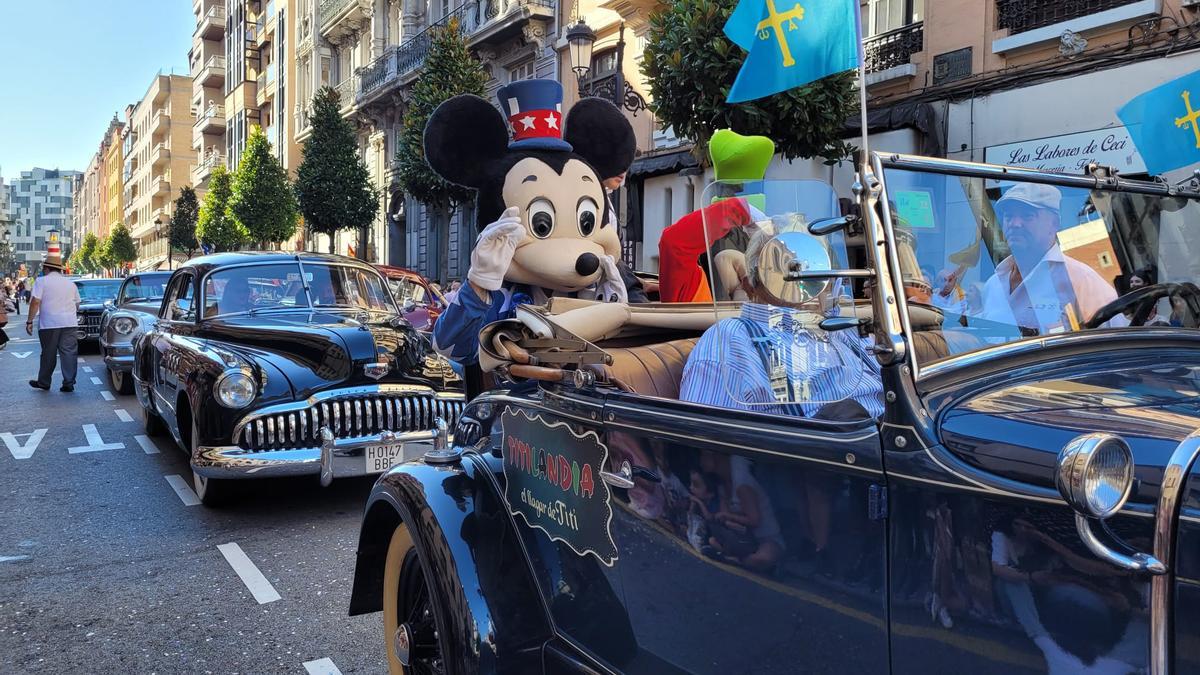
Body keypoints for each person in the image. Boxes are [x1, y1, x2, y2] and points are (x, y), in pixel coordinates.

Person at [680, 220, 884, 420]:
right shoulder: (730, 339)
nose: (802, 280)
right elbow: (706, 442)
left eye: (813, 267)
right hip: (825, 448)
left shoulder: (843, 328)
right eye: (785, 270)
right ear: (750, 286)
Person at [979, 184, 1121, 333]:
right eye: (1009, 216)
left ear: (1054, 224)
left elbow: (1117, 344)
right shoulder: (992, 286)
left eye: (1027, 216)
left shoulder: (1081, 280)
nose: (1015, 224)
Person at [25, 254, 81, 392]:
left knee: (48, 353)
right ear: (60, 269)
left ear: (46, 268)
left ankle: (44, 382)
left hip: (49, 324)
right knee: (68, 353)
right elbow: (77, 304)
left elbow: (35, 302)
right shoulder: (70, 284)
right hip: (70, 323)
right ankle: (68, 382)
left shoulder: (41, 281)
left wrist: (29, 321)